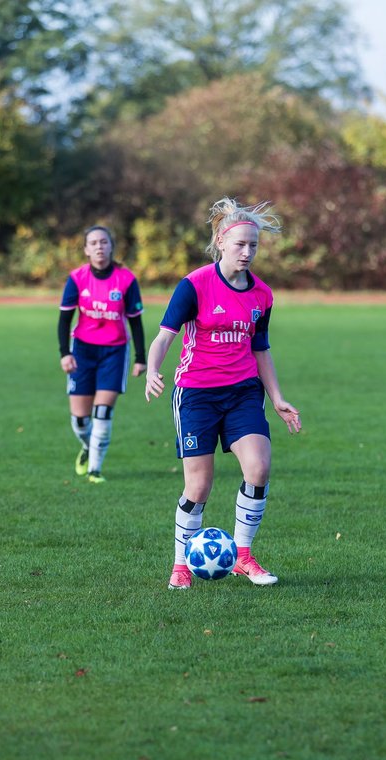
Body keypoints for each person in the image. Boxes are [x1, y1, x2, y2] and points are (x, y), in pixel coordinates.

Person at [145, 198, 301, 590]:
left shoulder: (262, 295)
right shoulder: (194, 285)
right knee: (198, 486)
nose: (247, 252)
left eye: (254, 245)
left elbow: (260, 349)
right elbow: (165, 336)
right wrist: (151, 369)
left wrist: (277, 397)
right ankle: (181, 564)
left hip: (243, 393)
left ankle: (243, 556)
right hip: (196, 394)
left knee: (259, 467)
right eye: (240, 244)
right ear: (220, 241)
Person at [58, 225, 146, 483]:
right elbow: (64, 320)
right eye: (93, 242)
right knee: (81, 421)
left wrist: (140, 357)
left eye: (104, 242)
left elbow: (136, 321)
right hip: (82, 350)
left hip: (115, 351)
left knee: (103, 413)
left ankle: (95, 469)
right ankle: (87, 447)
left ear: (111, 247)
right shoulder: (77, 279)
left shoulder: (126, 280)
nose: (99, 246)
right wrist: (65, 353)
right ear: (86, 249)